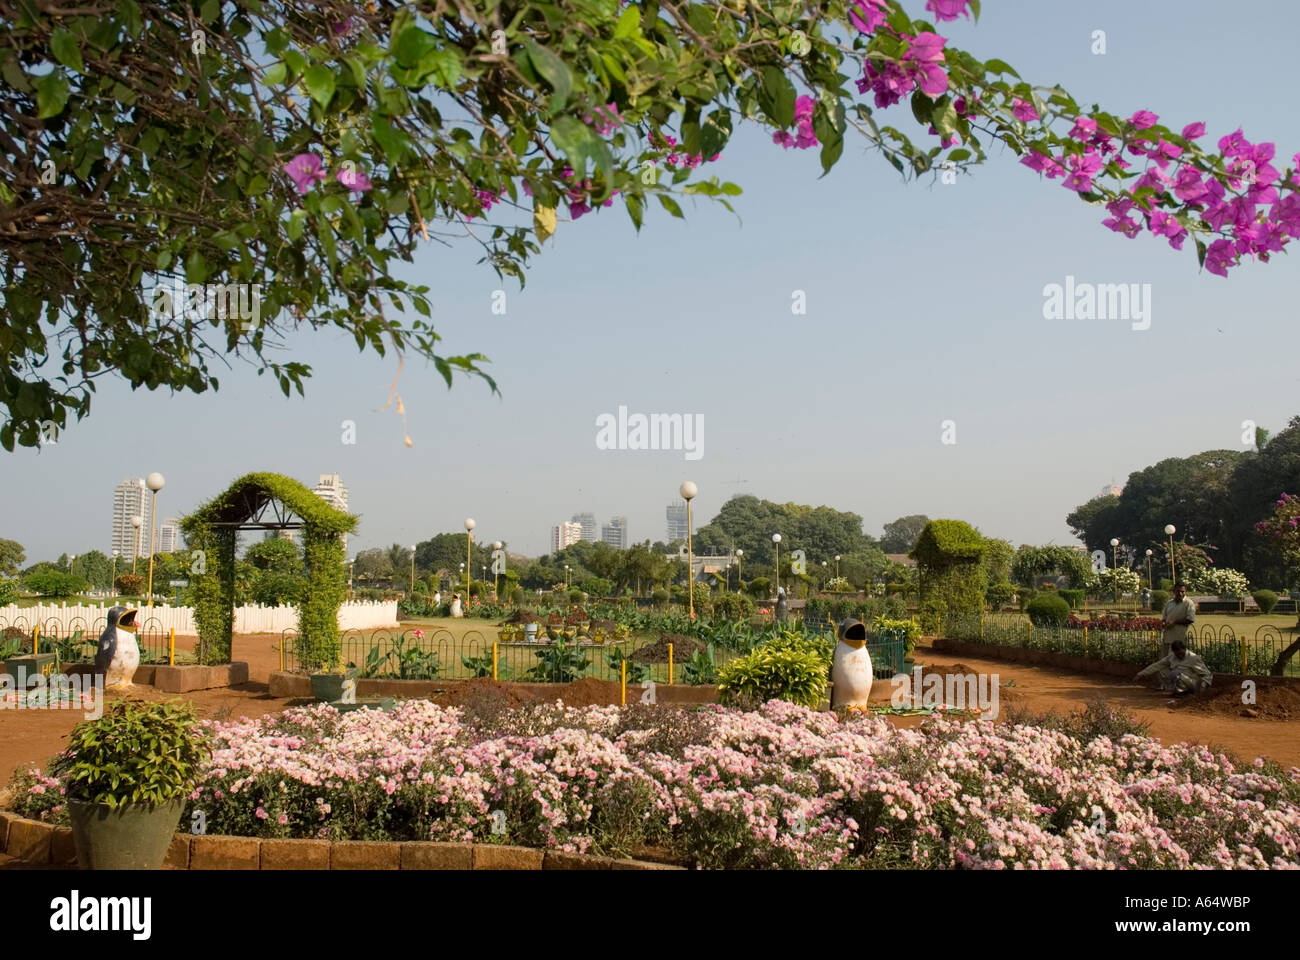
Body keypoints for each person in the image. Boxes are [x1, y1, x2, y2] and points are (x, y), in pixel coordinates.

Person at [1135, 639, 1212, 695]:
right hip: (1178, 680)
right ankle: (1173, 690)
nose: (1179, 656)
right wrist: (1141, 674)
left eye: (1181, 653)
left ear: (1184, 649)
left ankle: (1183, 692)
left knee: (1176, 674)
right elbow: (1158, 665)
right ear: (1174, 652)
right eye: (1177, 654)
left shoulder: (1193, 658)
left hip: (1193, 683)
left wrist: (1203, 686)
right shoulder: (1172, 656)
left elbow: (1207, 674)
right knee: (1160, 671)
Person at [1160, 582, 1195, 655]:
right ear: (1174, 591)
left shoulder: (1188, 603)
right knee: (1166, 660)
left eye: (1182, 591)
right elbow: (1164, 617)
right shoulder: (1169, 603)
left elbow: (1190, 619)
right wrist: (1163, 623)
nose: (1180, 593)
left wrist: (1175, 622)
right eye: (1178, 591)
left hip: (1179, 639)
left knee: (1177, 661)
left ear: (1186, 592)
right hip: (1167, 637)